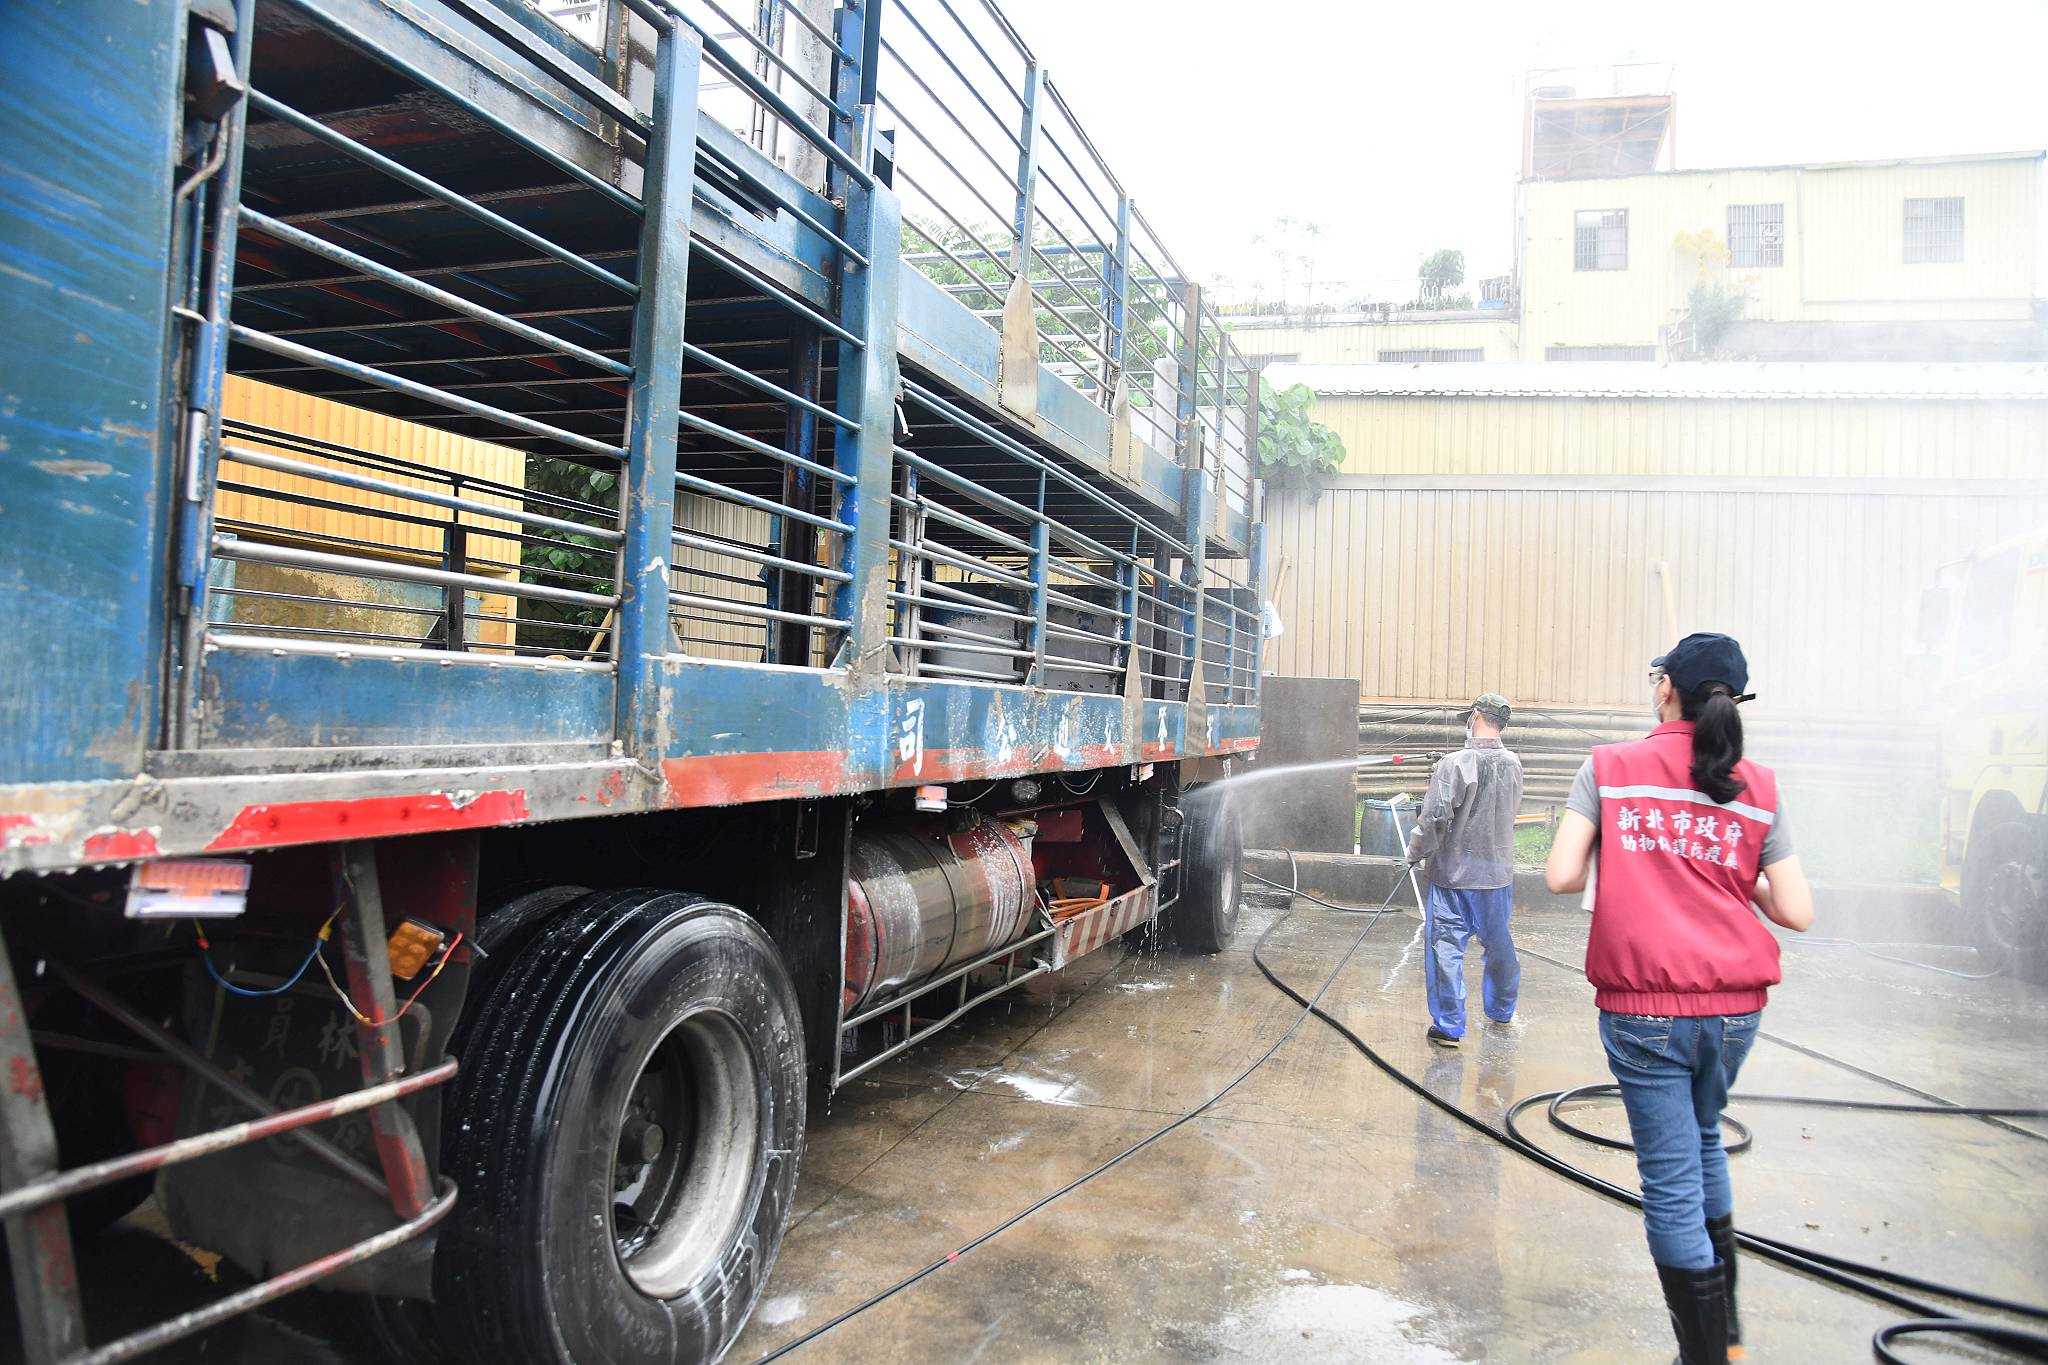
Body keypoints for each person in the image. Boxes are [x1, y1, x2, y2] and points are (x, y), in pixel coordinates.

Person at [1544, 633, 1814, 1365]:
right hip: (1736, 1012)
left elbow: (1562, 875)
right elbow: (1796, 910)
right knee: (1702, 1138)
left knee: (1668, 1180)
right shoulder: (1758, 783)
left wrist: (1625, 846)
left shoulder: (1611, 768)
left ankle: (1704, 1357)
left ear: (1665, 687)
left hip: (1645, 1011)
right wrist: (1735, 874)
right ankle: (1726, 1340)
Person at [1404, 692, 1524, 1049]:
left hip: (1454, 876)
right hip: (1497, 876)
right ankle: (1502, 1010)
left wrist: (1414, 852)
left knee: (1446, 949)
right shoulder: (1513, 763)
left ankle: (1449, 1025)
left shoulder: (1455, 763)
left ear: (1475, 716)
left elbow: (1436, 817)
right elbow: (1511, 811)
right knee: (1499, 945)